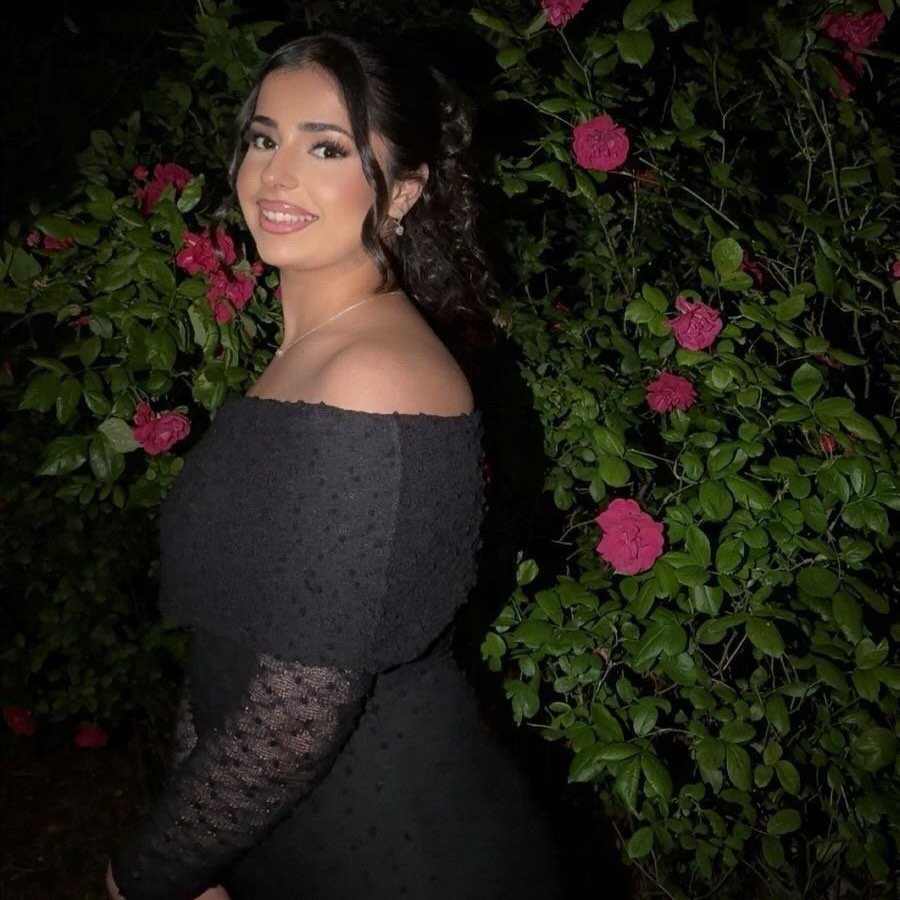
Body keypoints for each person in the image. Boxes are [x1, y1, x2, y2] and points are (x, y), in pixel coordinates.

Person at [105, 30, 564, 900]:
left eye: (326, 148)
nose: (276, 175)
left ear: (405, 192)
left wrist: (148, 873)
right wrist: (195, 847)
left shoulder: (372, 376)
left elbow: (297, 708)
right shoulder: (310, 360)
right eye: (263, 138)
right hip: (281, 838)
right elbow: (226, 642)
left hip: (396, 855)